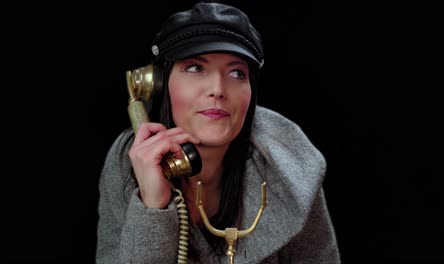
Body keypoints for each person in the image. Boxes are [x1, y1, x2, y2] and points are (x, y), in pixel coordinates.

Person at [96, 2, 341, 263]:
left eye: (237, 73)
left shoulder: (291, 162)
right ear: (158, 84)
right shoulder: (128, 159)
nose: (217, 89)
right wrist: (153, 205)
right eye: (195, 68)